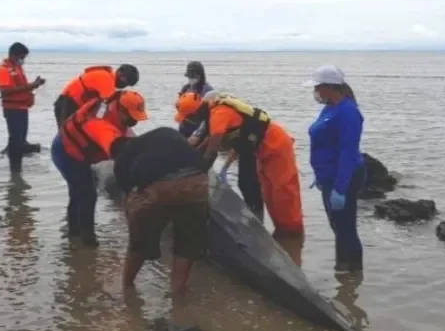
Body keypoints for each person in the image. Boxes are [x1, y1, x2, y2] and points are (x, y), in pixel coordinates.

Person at [174, 92, 304, 264]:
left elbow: (212, 150)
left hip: (276, 145)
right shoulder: (211, 114)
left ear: (197, 112)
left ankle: (292, 241)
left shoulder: (219, 113)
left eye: (189, 117)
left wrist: (198, 175)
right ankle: (277, 238)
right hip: (258, 150)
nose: (188, 121)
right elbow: (208, 142)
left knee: (283, 194)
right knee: (268, 195)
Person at [113, 127, 210, 297]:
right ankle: (177, 291)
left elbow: (130, 197)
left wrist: (137, 226)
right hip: (197, 182)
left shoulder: (122, 158)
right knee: (187, 242)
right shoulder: (166, 132)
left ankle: (127, 287)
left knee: (138, 243)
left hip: (159, 187)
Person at [50, 90, 149, 247]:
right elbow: (117, 149)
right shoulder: (100, 126)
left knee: (78, 193)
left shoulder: (109, 107)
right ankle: (87, 241)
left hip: (72, 146)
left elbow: (127, 135)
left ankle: (73, 232)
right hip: (67, 153)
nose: (134, 121)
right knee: (87, 194)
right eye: (131, 117)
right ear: (121, 109)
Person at [303, 65, 365, 272]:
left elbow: (348, 152)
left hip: (344, 177)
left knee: (345, 229)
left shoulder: (348, 112)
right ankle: (342, 272)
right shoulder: (330, 107)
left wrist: (340, 188)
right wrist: (321, 176)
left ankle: (353, 273)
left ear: (330, 87)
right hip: (329, 176)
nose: (315, 92)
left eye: (318, 88)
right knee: (337, 227)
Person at [0, 42, 45, 175]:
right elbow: (5, 91)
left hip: (22, 108)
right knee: (16, 141)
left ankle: (17, 172)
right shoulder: (4, 69)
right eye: (22, 57)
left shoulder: (17, 68)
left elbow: (21, 87)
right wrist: (30, 86)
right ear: (14, 55)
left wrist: (35, 85)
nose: (23, 60)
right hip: (12, 109)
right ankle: (15, 172)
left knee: (20, 140)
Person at [53, 64, 140, 127]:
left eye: (128, 84)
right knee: (65, 134)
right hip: (67, 103)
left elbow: (99, 105)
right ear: (119, 72)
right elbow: (108, 106)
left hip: (71, 104)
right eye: (125, 81)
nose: (124, 86)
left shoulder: (106, 77)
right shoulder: (106, 79)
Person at [177, 61, 213, 137]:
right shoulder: (185, 88)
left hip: (199, 127)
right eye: (189, 77)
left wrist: (198, 134)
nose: (191, 79)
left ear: (200, 75)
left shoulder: (207, 90)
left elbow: (209, 115)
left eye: (193, 76)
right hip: (184, 125)